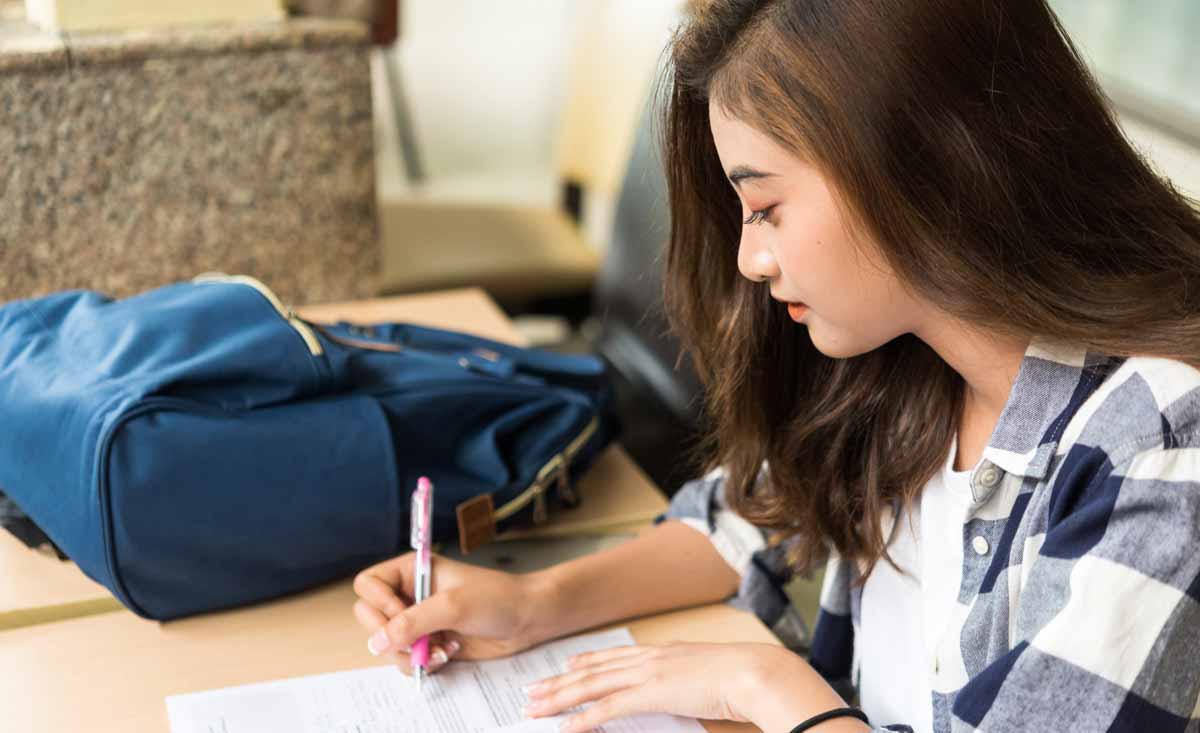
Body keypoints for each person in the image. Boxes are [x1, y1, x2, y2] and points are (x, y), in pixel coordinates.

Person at [351, 1, 1200, 731]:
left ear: (922, 161)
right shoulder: (911, 363)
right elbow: (748, 514)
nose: (751, 258)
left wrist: (766, 684)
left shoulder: (1162, 449)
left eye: (764, 207)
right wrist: (533, 604)